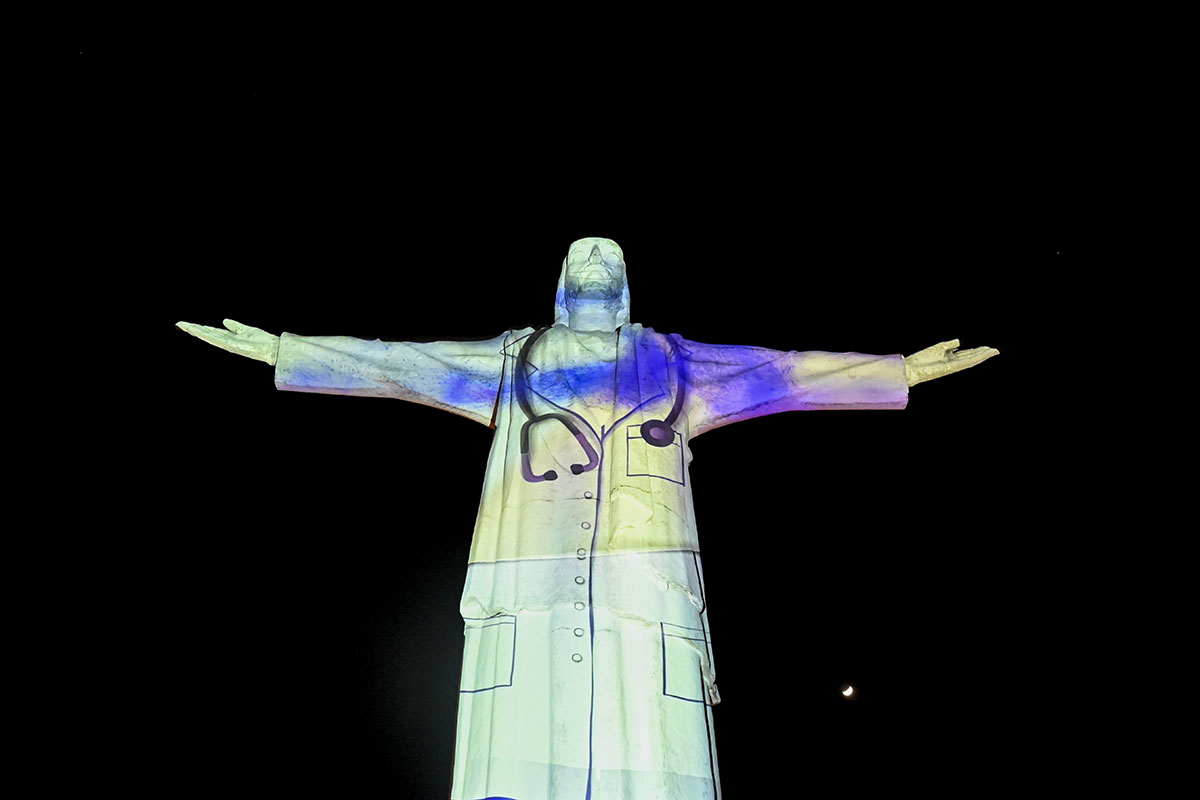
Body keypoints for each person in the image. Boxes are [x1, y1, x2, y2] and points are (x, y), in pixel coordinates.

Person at [178, 236, 997, 799]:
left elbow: (781, 374)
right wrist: (291, 351)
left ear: (625, 282)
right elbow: (400, 364)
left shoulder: (676, 363)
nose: (595, 258)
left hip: (645, 602)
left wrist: (895, 372)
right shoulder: (512, 361)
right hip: (527, 602)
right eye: (582, 254)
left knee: (649, 762)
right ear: (565, 281)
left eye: (608, 253)